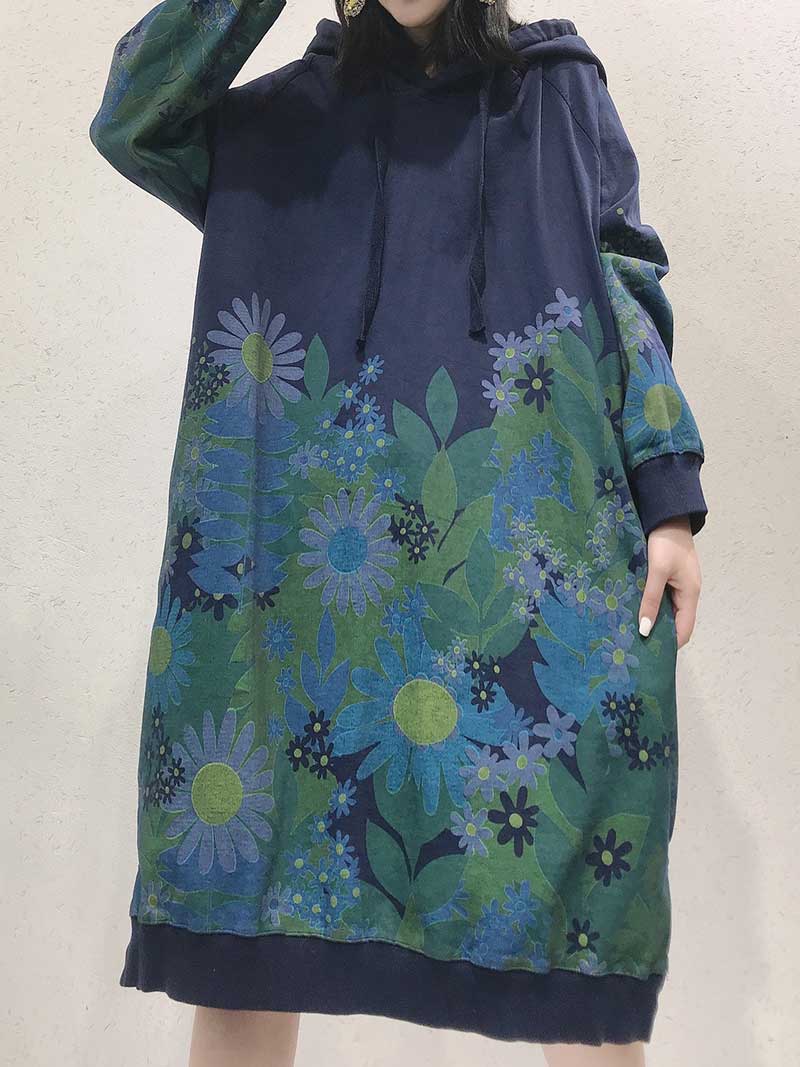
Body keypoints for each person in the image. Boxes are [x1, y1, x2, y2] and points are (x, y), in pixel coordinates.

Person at [89, 1, 707, 1064]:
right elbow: (132, 115)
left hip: (529, 552)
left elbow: (625, 279)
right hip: (293, 579)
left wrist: (668, 491)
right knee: (249, 933)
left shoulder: (556, 93)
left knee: (579, 941)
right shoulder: (279, 126)